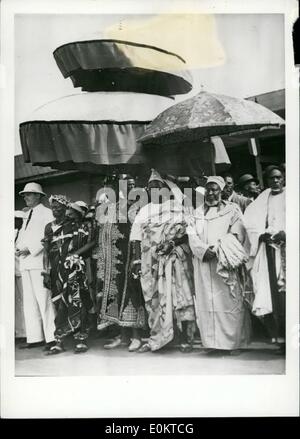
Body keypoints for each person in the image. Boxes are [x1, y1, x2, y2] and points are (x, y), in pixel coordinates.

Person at [130, 169, 196, 353]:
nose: (154, 190)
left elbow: (187, 234)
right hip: (150, 262)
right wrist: (136, 261)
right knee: (154, 300)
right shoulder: (144, 211)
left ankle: (184, 338)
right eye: (150, 188)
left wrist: (172, 243)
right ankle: (158, 339)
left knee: (178, 298)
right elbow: (135, 238)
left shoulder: (177, 206)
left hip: (173, 259)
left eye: (158, 186)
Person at [187, 176, 251, 355]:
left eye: (215, 189)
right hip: (203, 264)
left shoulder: (232, 210)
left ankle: (233, 343)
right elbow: (191, 234)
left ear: (222, 191)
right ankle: (212, 344)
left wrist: (217, 248)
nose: (211, 192)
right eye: (208, 189)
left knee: (229, 301)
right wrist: (202, 250)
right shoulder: (197, 212)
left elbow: (238, 232)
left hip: (224, 262)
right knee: (206, 302)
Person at [95, 179, 147, 352]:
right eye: (125, 185)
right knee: (118, 295)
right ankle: (124, 336)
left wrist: (136, 257)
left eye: (132, 185)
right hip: (116, 259)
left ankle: (136, 336)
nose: (129, 188)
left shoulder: (140, 206)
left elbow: (138, 232)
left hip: (133, 255)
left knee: (133, 294)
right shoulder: (115, 207)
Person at [43, 199, 95, 354]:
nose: (55, 210)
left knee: (77, 301)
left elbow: (91, 242)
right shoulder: (49, 227)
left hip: (74, 268)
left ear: (66, 208)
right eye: (53, 207)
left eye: (59, 207)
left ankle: (81, 339)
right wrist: (46, 272)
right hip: (56, 271)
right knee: (59, 305)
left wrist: (74, 255)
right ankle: (59, 341)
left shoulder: (75, 225)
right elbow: (46, 250)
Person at [244, 166, 286, 354]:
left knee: (287, 293)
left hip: (288, 250)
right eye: (272, 179)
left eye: (278, 178)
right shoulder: (264, 198)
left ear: (283, 179)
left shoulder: (292, 196)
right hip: (269, 252)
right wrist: (261, 235)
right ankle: (280, 340)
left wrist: (286, 233)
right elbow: (251, 222)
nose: (275, 181)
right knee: (271, 295)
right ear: (267, 181)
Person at [16, 182, 56, 350]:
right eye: (25, 195)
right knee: (30, 302)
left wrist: (29, 248)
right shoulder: (28, 214)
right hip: (26, 263)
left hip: (39, 262)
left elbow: (47, 235)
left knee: (44, 300)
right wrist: (18, 248)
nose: (26, 197)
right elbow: (24, 235)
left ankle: (52, 338)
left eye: (29, 194)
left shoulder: (47, 213)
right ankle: (35, 338)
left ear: (39, 196)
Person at [15, 211, 27, 340]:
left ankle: (26, 332)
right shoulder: (14, 233)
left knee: (25, 302)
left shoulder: (24, 233)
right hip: (15, 272)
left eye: (16, 219)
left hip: (23, 271)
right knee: (18, 303)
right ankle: (20, 331)